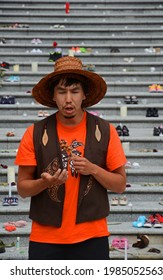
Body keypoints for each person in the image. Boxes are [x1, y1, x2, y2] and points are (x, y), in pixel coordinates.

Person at [15, 56, 127, 260]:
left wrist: (93, 169)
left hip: (92, 236)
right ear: (53, 96)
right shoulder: (35, 133)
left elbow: (120, 185)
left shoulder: (106, 130)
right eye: (62, 92)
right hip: (45, 238)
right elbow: (22, 189)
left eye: (75, 91)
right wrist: (44, 182)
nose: (68, 99)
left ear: (84, 94)